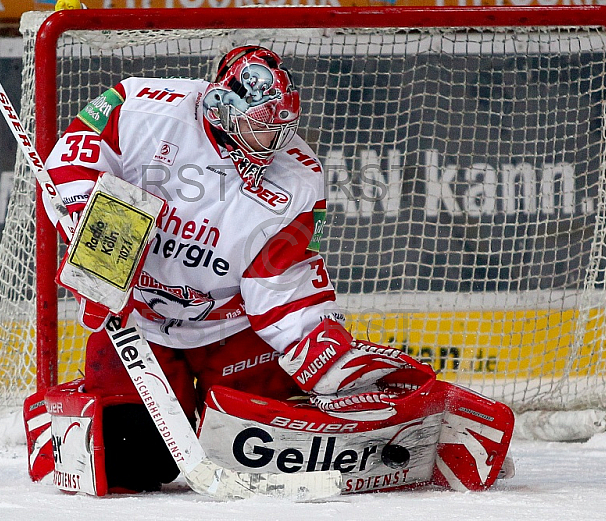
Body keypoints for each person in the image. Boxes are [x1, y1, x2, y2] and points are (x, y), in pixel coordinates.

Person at [28, 46, 509, 495]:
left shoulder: (297, 176)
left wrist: (317, 347)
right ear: (221, 105)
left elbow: (278, 279)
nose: (271, 144)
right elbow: (71, 162)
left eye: (279, 130)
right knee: (136, 460)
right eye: (260, 128)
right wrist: (97, 258)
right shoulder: (141, 105)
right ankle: (70, 410)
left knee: (260, 445)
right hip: (139, 323)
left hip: (231, 327)